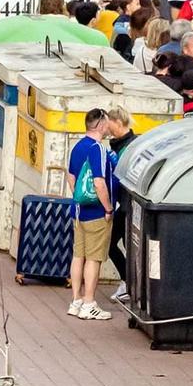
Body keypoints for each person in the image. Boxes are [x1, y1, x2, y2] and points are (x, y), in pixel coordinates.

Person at [66, 107, 116, 321]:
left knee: (79, 256)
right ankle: (89, 303)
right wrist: (108, 207)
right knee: (94, 259)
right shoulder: (98, 149)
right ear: (101, 125)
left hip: (78, 212)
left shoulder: (77, 146)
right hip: (96, 212)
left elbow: (70, 177)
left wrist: (79, 199)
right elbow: (99, 182)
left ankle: (76, 300)